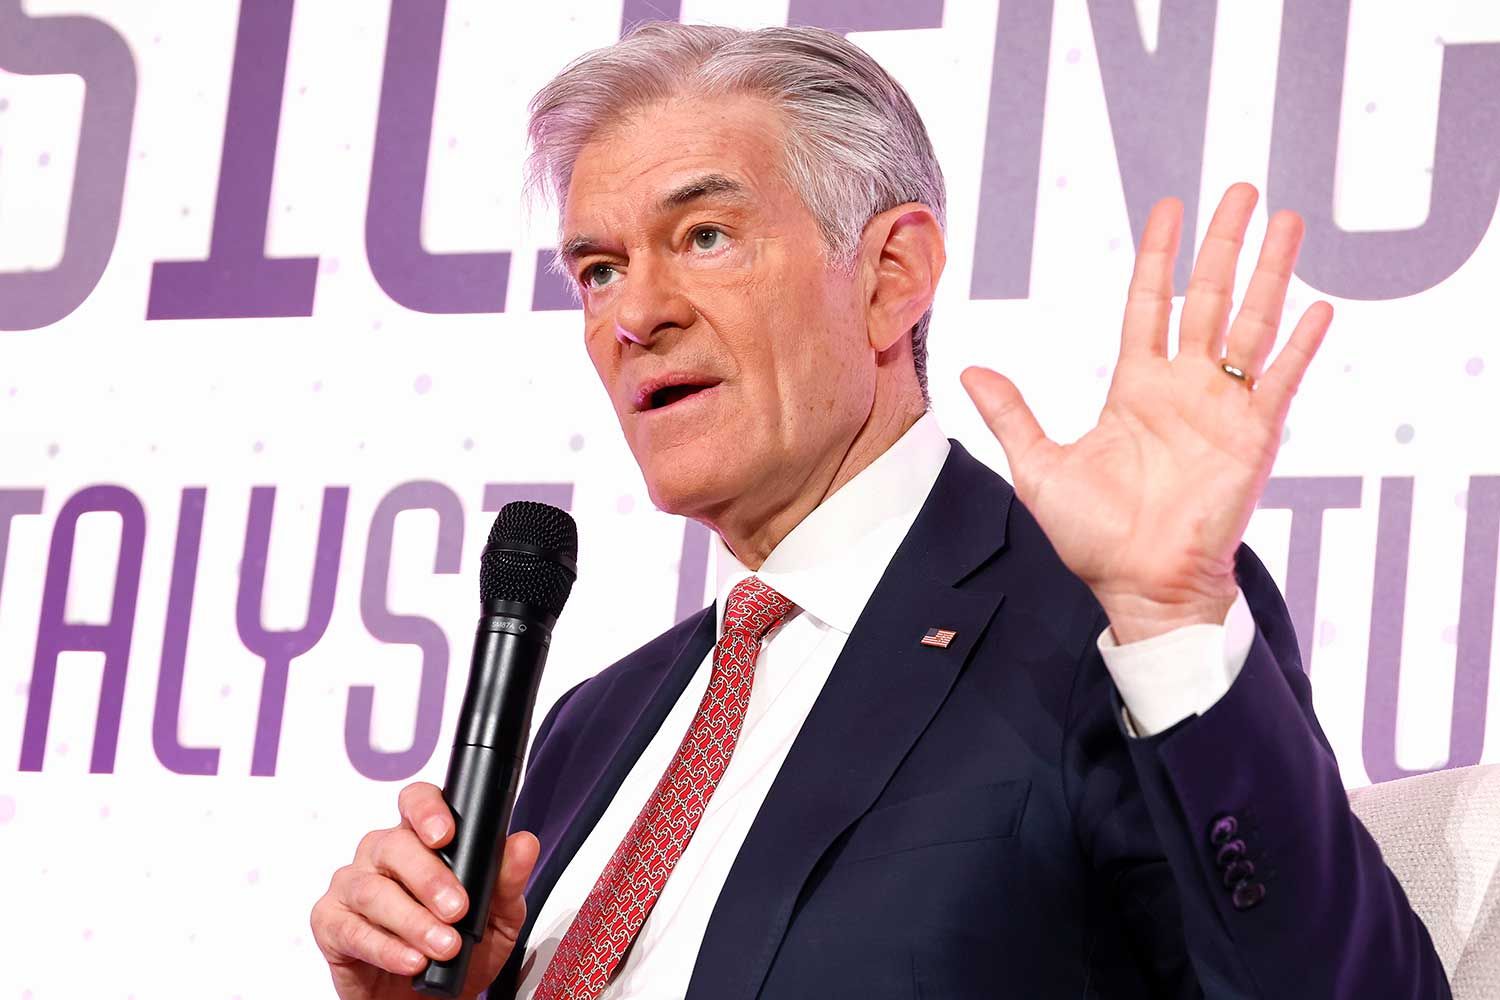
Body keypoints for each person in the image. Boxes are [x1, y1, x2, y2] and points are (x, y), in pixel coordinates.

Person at [310, 22, 1449, 999]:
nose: (633, 315)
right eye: (599, 269)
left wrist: (1170, 621)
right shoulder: (589, 727)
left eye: (704, 236)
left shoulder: (1099, 630)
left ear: (891, 276)